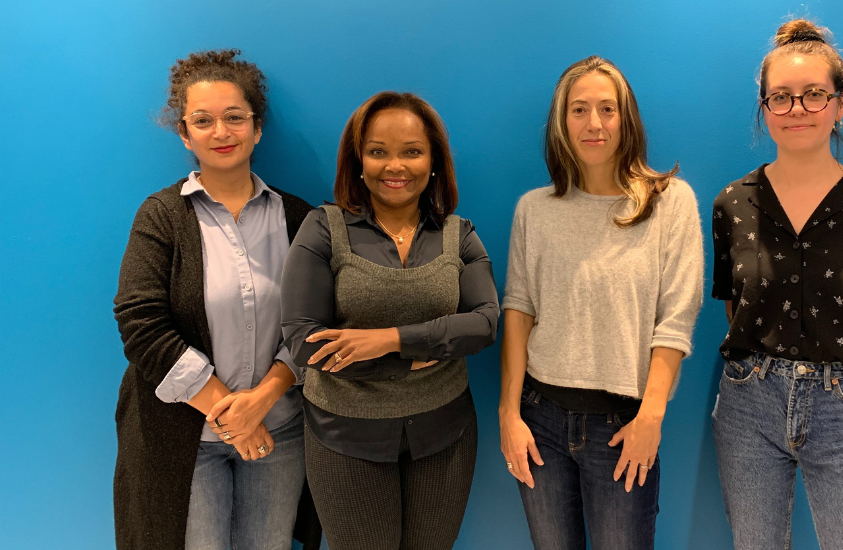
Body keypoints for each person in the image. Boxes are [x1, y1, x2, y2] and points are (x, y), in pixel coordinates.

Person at [710, 19, 843, 550]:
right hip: (747, 405)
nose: (798, 110)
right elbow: (734, 304)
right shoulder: (732, 205)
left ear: (839, 103)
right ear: (764, 107)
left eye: (813, 95)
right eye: (781, 97)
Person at [112, 49, 317, 550]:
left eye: (234, 118)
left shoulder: (300, 218)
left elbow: (315, 323)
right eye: (203, 121)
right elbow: (140, 324)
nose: (221, 132)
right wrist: (230, 414)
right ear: (184, 134)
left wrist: (262, 402)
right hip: (185, 438)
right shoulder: (161, 216)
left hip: (280, 432)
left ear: (257, 127)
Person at [499, 56, 704, 550]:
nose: (594, 123)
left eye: (607, 109)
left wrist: (650, 417)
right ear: (560, 122)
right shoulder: (535, 209)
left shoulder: (668, 202)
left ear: (626, 119)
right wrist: (508, 413)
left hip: (623, 426)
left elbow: (676, 321)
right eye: (579, 110)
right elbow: (519, 309)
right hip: (539, 418)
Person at [280, 91, 499, 550]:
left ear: (434, 161)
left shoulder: (460, 234)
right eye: (378, 151)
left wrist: (389, 340)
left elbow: (483, 323)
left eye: (412, 152)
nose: (394, 166)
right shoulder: (323, 228)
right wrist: (408, 361)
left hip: (446, 434)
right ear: (357, 161)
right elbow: (304, 342)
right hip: (345, 439)